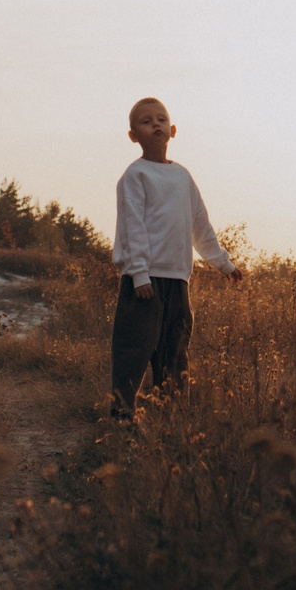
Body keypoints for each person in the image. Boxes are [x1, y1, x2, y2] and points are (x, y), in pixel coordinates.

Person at [110, 96, 242, 419]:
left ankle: (171, 417)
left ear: (173, 130)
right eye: (146, 122)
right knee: (134, 349)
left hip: (178, 280)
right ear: (133, 136)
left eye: (161, 119)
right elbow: (132, 226)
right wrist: (139, 273)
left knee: (175, 351)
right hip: (143, 283)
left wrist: (223, 263)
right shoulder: (135, 175)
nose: (155, 125)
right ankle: (122, 416)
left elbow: (200, 224)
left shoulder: (182, 176)